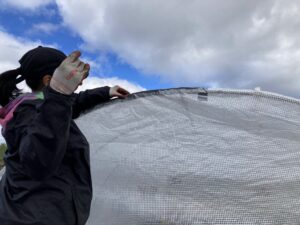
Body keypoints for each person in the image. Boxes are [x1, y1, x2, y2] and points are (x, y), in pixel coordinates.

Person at [0, 46, 130, 225]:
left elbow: (71, 103)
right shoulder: (27, 111)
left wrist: (107, 91)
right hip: (35, 218)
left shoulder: (45, 104)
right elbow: (39, 161)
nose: (80, 82)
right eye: (70, 75)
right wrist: (59, 94)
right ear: (48, 80)